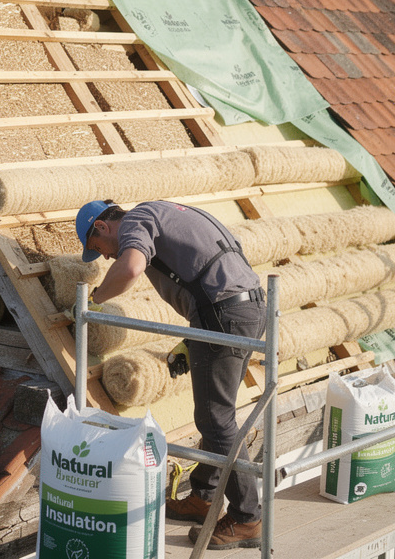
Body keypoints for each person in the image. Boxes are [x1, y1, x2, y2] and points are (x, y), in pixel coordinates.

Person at [76, 199, 265, 550]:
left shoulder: (135, 220)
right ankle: (204, 496)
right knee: (217, 414)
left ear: (101, 227)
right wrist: (191, 340)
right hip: (248, 308)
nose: (103, 258)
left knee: (216, 419)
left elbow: (130, 268)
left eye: (97, 248)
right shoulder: (166, 210)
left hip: (222, 314)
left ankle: (246, 518)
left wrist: (93, 301)